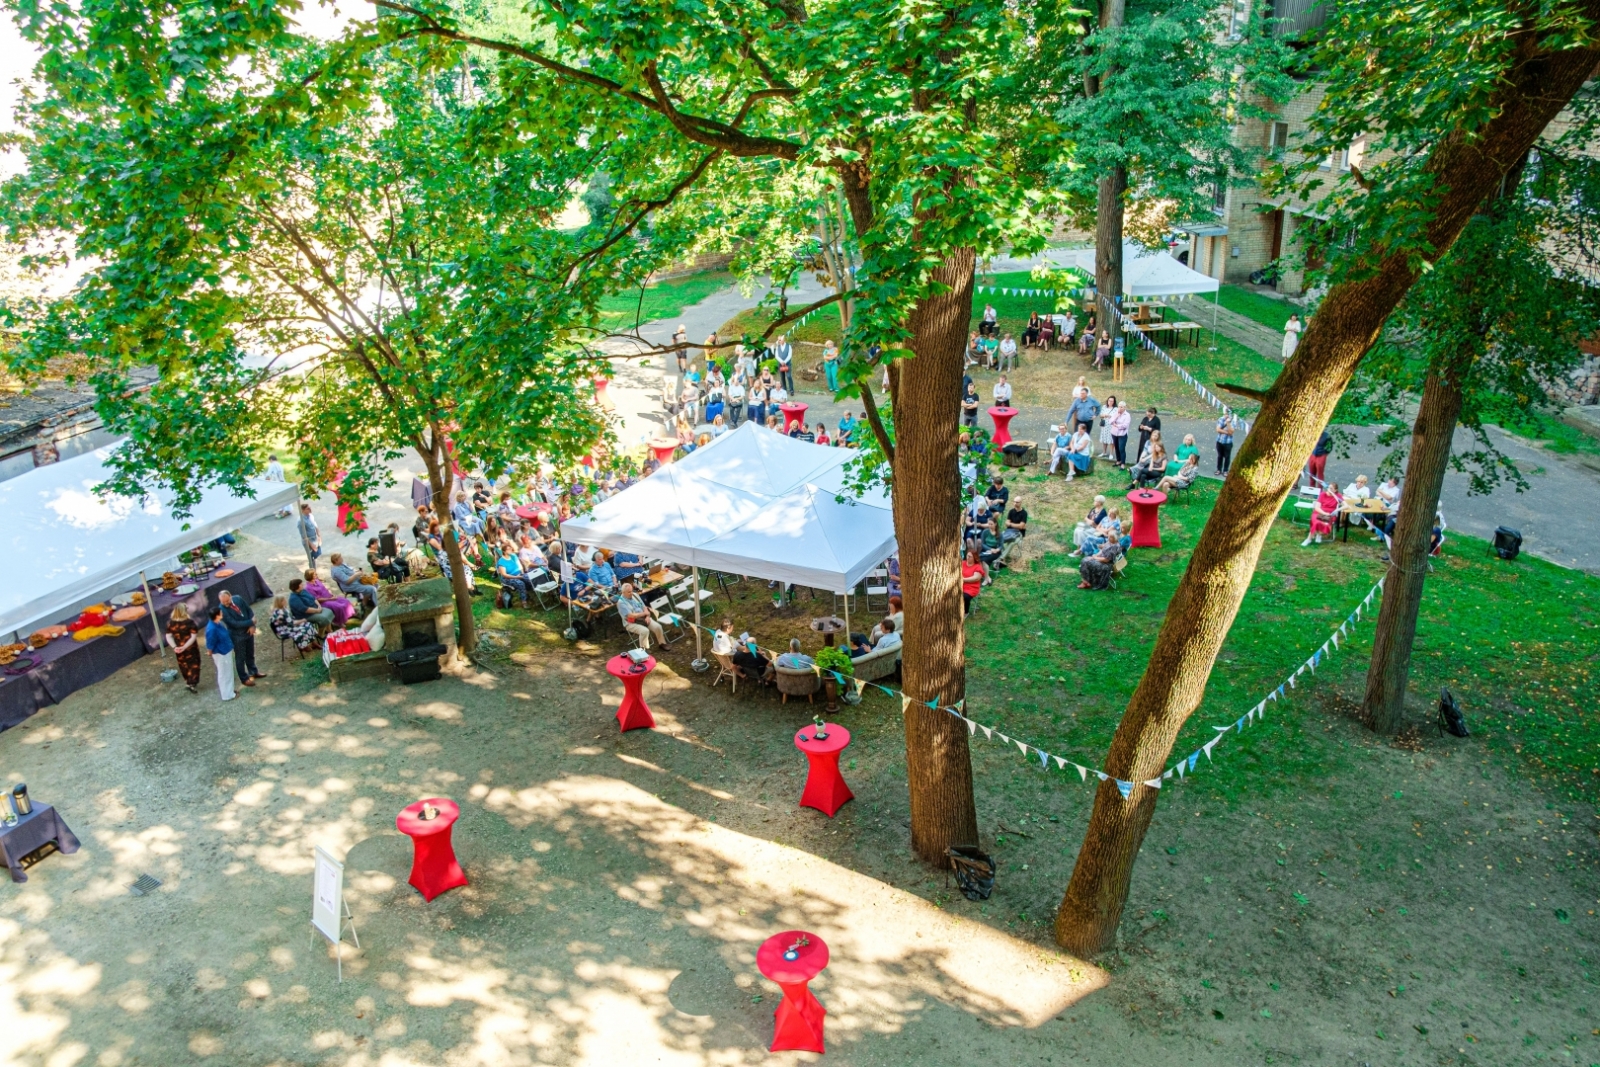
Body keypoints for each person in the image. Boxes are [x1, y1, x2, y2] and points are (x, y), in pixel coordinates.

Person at [219, 591, 263, 687]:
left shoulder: (238, 598)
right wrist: (250, 622)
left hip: (249, 632)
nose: (226, 603)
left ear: (230, 596)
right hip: (237, 636)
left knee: (250, 653)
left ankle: (253, 671)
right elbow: (234, 623)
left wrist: (252, 625)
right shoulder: (222, 610)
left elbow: (248, 610)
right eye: (223, 602)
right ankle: (244, 678)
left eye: (227, 600)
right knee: (240, 658)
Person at [616, 582, 667, 650]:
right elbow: (631, 616)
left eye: (631, 591)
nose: (631, 593)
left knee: (658, 627)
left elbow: (644, 607)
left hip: (643, 618)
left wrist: (647, 616)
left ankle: (662, 643)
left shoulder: (635, 595)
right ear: (623, 592)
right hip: (631, 623)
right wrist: (645, 614)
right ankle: (642, 651)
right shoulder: (621, 602)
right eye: (629, 592)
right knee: (645, 631)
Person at [165, 604, 202, 693]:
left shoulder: (171, 623)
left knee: (183, 664)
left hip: (179, 649)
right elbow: (193, 636)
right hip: (190, 648)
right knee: (194, 664)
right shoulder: (189, 622)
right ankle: (192, 683)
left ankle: (188, 681)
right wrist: (184, 646)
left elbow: (168, 636)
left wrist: (175, 647)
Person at [203, 607, 237, 701]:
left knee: (228, 672)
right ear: (217, 615)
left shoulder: (218, 623)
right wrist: (210, 651)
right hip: (221, 653)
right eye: (220, 612)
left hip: (225, 650)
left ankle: (230, 691)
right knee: (224, 673)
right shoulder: (212, 628)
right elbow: (210, 642)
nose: (222, 613)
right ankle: (227, 695)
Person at [1303, 481, 1340, 546]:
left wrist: (1338, 509)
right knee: (1317, 522)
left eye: (1331, 489)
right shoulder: (1323, 494)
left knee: (1323, 523)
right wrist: (1324, 513)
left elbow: (1346, 505)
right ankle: (1309, 539)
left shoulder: (1338, 496)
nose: (1329, 490)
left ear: (1335, 490)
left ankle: (1318, 534)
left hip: (1330, 514)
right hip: (1319, 512)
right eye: (1329, 488)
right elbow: (1317, 507)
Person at [960, 547, 988, 615]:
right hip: (960, 585)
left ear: (974, 558)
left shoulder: (977, 567)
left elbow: (975, 578)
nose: (968, 557)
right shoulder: (962, 563)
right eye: (967, 555)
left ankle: (965, 612)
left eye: (970, 556)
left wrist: (962, 579)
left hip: (971, 588)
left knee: (965, 596)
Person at [1108, 401, 1131, 467]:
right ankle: (1118, 461)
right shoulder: (1116, 413)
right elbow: (1110, 421)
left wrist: (1116, 425)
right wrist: (1116, 416)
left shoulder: (1127, 415)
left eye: (1121, 407)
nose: (1120, 408)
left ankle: (1123, 463)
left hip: (1122, 434)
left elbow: (1125, 426)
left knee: (1121, 448)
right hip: (1114, 433)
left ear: (1124, 408)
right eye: (1119, 406)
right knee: (1116, 448)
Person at [1097, 394, 1119, 460]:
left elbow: (1116, 417)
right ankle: (1104, 452)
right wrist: (1104, 415)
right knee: (1104, 439)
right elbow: (1100, 415)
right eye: (1109, 401)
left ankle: (1111, 453)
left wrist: (1109, 416)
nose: (1110, 402)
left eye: (1112, 401)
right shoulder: (1104, 407)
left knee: (1111, 440)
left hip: (1111, 426)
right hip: (1104, 425)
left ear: (1114, 402)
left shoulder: (1115, 409)